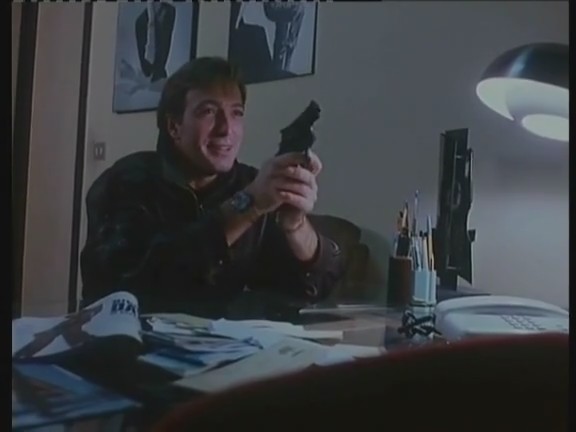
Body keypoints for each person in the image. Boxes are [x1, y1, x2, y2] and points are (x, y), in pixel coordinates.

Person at [80, 57, 344, 316]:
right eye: (208, 112)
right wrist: (248, 206)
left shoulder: (251, 183)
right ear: (174, 126)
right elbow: (130, 286)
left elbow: (311, 289)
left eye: (236, 113)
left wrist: (295, 225)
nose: (226, 129)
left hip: (224, 342)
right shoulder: (127, 182)